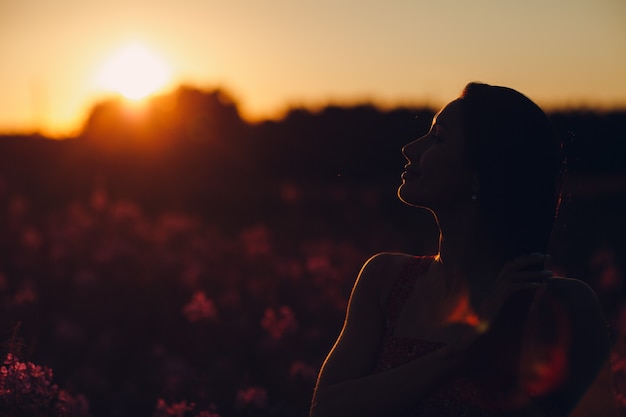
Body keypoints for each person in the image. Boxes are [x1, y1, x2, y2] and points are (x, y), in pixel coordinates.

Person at [309, 82, 619, 417]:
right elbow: (326, 408)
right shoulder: (384, 279)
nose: (409, 148)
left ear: (482, 172)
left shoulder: (565, 306)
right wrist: (463, 352)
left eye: (437, 137)